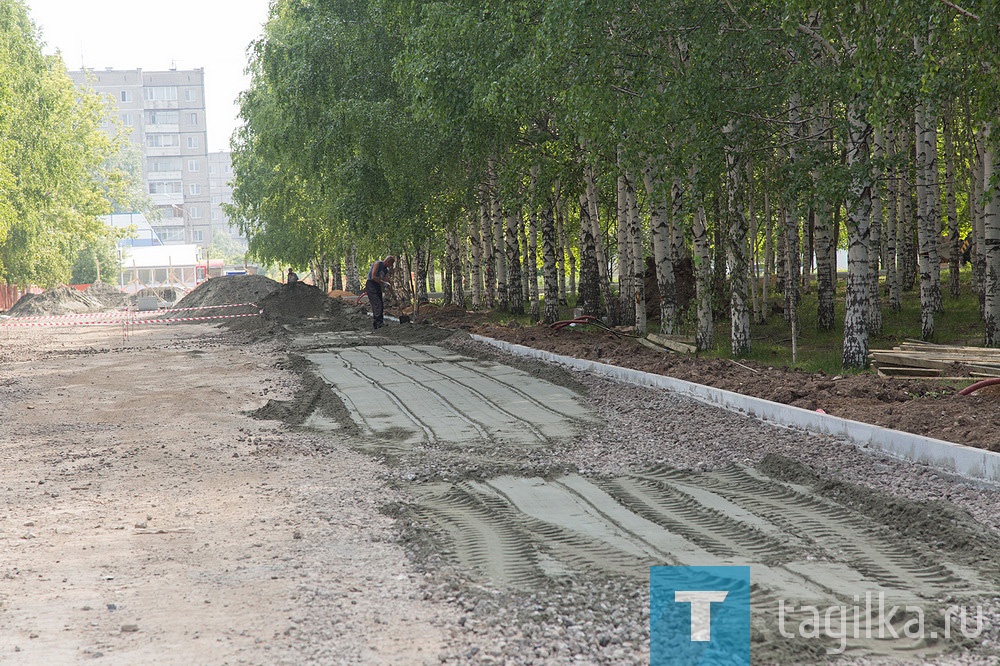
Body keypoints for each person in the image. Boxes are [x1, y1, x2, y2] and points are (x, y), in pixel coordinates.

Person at [365, 255, 395, 329]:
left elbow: (386, 280)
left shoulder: (385, 270)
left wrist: (390, 289)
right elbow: (373, 277)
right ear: (387, 261)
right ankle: (378, 323)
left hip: (377, 285)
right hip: (371, 284)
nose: (390, 266)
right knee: (377, 303)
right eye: (390, 264)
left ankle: (378, 323)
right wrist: (384, 283)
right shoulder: (377, 264)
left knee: (380, 303)